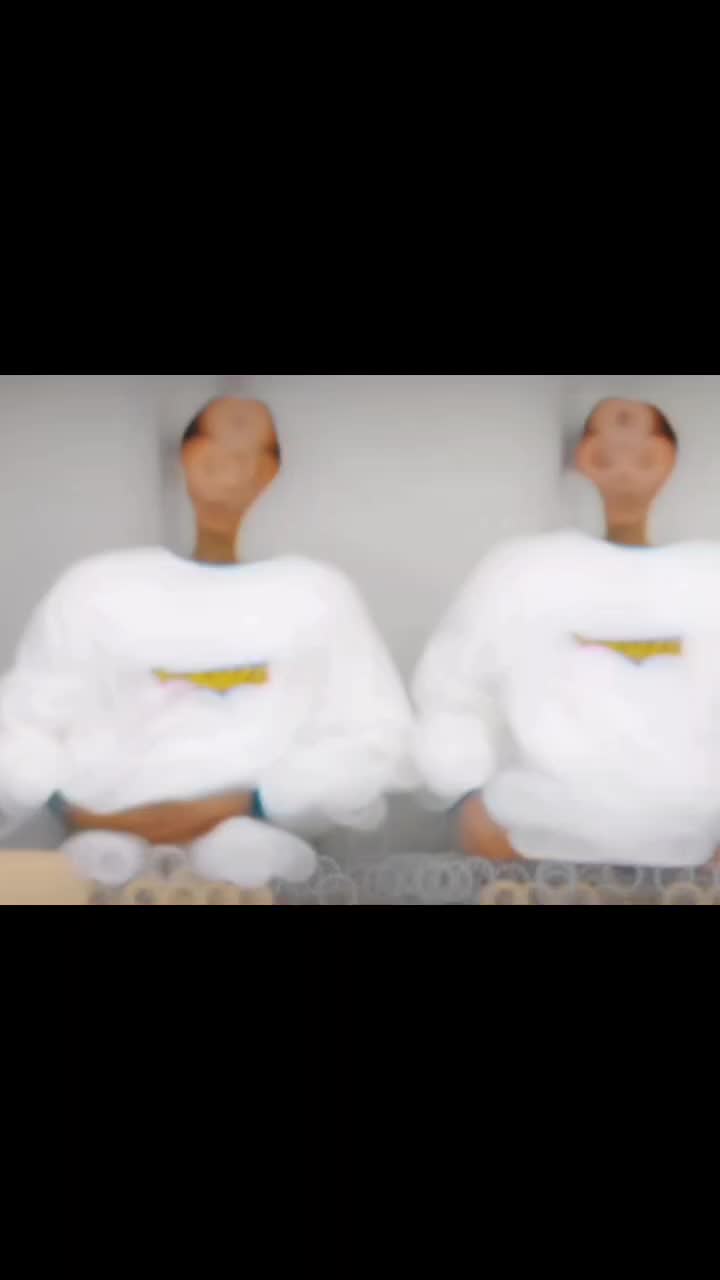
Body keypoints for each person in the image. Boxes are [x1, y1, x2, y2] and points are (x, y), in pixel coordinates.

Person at [0, 397, 413, 889]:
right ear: (186, 457)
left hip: (257, 853)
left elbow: (375, 738)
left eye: (249, 455)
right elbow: (23, 723)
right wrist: (74, 805)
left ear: (270, 473)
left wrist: (257, 803)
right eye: (215, 451)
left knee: (245, 864)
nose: (230, 471)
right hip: (98, 845)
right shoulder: (93, 591)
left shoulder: (317, 596)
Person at [413, 398, 720, 869]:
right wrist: (464, 801)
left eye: (643, 449)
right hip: (531, 844)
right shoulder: (521, 570)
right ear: (583, 459)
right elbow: (452, 692)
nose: (625, 460)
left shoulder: (707, 577)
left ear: (668, 460)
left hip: (692, 849)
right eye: (607, 446)